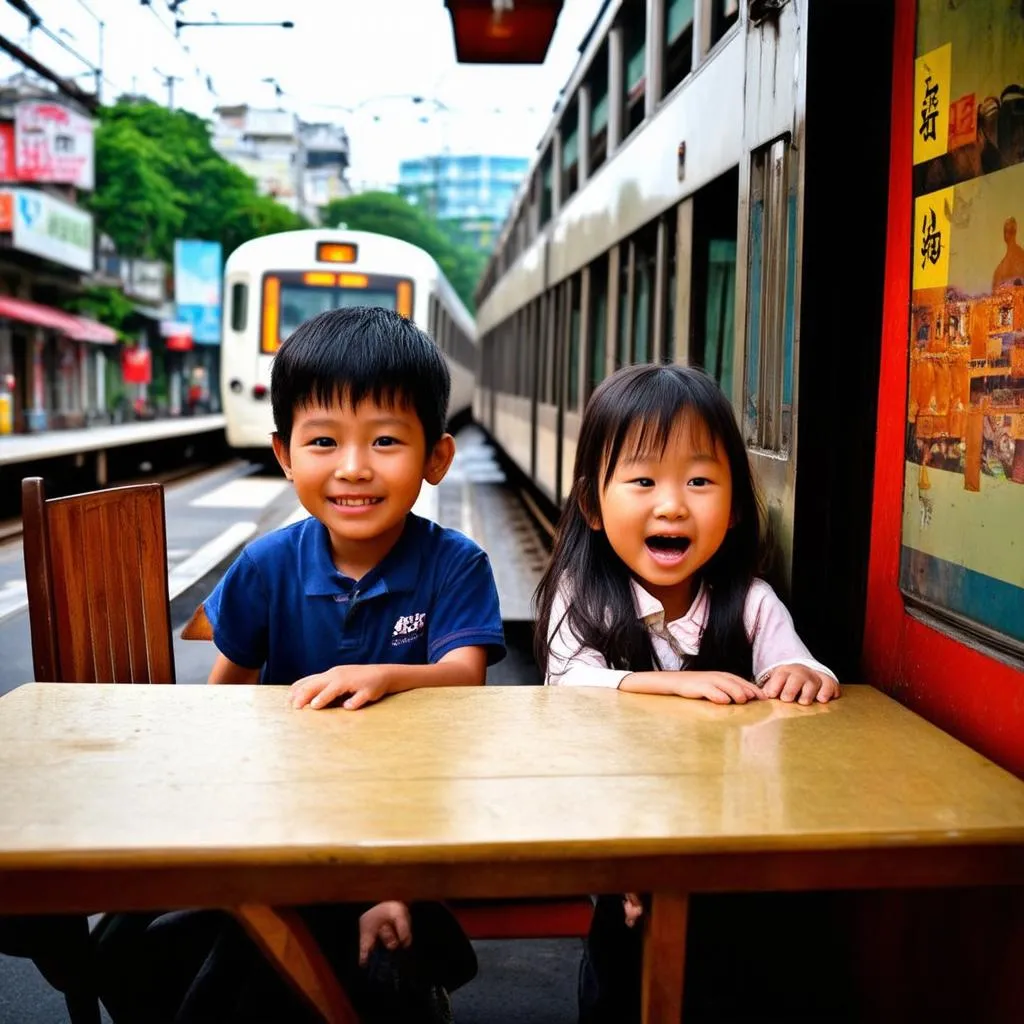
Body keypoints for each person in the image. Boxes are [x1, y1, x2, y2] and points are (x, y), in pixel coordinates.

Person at [97, 307, 505, 1023]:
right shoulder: (265, 565)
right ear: (285, 454)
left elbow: (465, 676)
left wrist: (383, 675)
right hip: (280, 815)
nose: (353, 468)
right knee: (163, 937)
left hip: (404, 815)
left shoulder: (456, 564)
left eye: (385, 440)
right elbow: (223, 707)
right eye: (323, 442)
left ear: (435, 458)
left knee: (301, 941)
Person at [533, 363, 840, 1024]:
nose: (672, 505)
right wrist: (673, 684)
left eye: (700, 482)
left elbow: (798, 666)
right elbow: (567, 683)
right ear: (592, 503)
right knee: (622, 981)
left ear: (732, 507)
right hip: (621, 842)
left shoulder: (751, 604)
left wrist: (803, 675)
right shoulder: (581, 597)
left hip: (733, 849)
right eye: (642, 481)